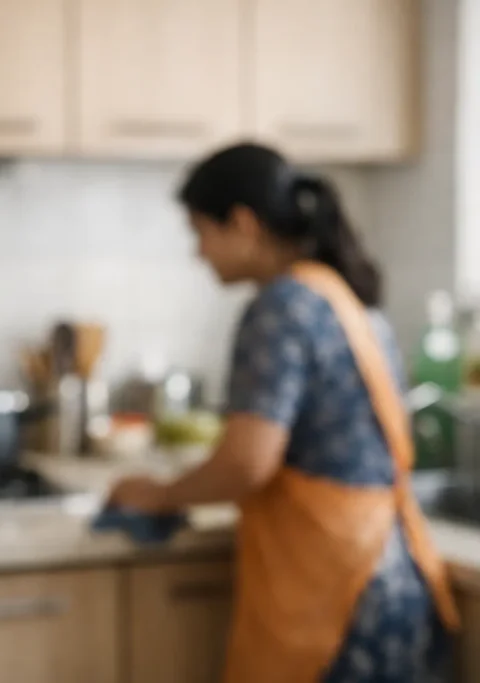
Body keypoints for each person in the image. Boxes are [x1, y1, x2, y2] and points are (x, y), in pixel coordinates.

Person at [107, 143, 460, 682]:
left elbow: (247, 463)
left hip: (333, 593)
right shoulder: (348, 295)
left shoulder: (279, 307)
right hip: (394, 575)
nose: (198, 252)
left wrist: (157, 493)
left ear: (243, 223)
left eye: (201, 232)